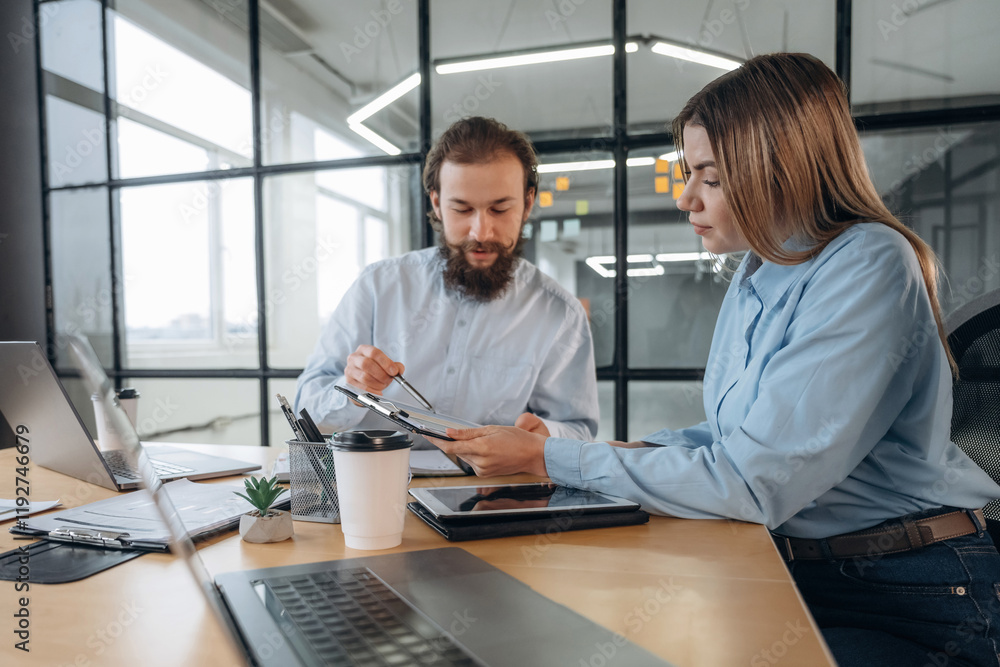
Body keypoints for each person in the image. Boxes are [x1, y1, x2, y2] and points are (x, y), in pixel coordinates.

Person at [428, 55, 1000, 665]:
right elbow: (740, 436)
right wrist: (619, 452)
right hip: (805, 568)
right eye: (688, 173)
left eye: (711, 177)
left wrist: (551, 456)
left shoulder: (869, 263)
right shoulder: (758, 272)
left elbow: (753, 483)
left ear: (783, 169)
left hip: (909, 592)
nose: (685, 199)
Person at [295, 116, 599, 445]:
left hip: (493, 493)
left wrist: (547, 436)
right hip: (375, 485)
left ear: (527, 203)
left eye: (499, 209)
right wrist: (353, 388)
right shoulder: (378, 287)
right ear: (437, 203)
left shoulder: (559, 313)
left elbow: (578, 430)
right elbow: (305, 412)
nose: (481, 232)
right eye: (463, 209)